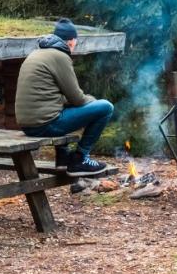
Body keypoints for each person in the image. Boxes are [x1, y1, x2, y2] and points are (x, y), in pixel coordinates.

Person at [15, 18, 114, 176]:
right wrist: (93, 103)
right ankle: (80, 157)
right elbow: (77, 98)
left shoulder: (36, 54)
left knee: (62, 106)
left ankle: (63, 160)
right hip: (45, 125)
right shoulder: (60, 57)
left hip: (28, 125)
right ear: (72, 41)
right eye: (76, 41)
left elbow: (58, 98)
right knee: (106, 107)